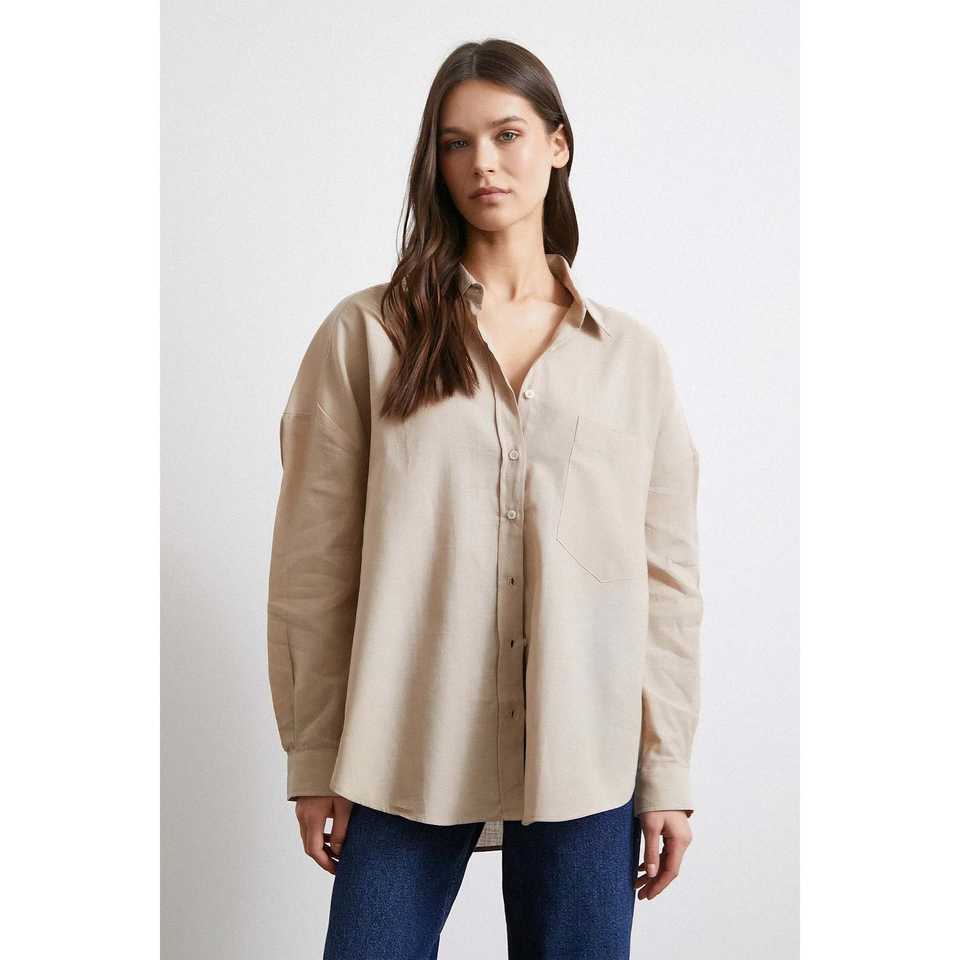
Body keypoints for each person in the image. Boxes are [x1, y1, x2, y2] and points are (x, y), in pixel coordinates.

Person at [267, 38, 703, 960]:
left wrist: (666, 772)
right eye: (456, 143)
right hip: (402, 744)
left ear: (558, 144)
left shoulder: (630, 360)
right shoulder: (368, 336)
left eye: (507, 134)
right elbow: (314, 565)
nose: (483, 164)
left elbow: (667, 583)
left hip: (585, 759)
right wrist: (313, 755)